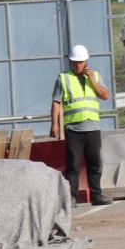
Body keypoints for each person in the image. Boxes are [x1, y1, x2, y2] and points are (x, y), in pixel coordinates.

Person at [50, 44, 111, 206]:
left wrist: (92, 81)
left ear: (86, 61)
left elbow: (105, 95)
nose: (77, 65)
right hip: (73, 129)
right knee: (73, 165)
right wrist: (54, 124)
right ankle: (71, 197)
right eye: (75, 62)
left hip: (92, 128)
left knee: (95, 163)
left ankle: (97, 195)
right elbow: (56, 102)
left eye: (80, 62)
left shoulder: (95, 76)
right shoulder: (63, 78)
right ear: (70, 62)